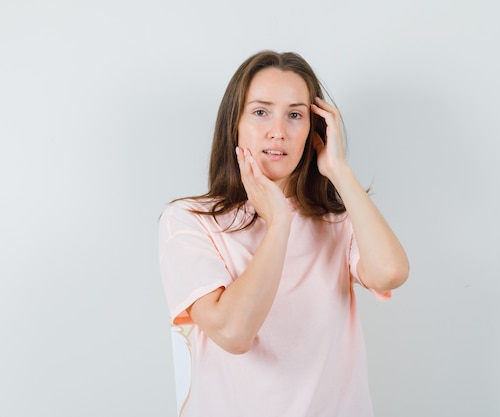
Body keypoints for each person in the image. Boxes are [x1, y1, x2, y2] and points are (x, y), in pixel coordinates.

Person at [158, 50, 409, 417]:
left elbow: (391, 272)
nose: (278, 130)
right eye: (261, 112)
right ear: (235, 124)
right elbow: (233, 333)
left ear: (314, 131)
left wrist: (338, 169)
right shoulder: (189, 220)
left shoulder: (336, 221)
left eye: (295, 115)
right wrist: (278, 222)